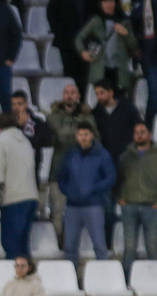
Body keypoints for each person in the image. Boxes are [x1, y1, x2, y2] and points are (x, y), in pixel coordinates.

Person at [58, 122, 116, 264]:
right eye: (80, 134)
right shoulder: (70, 154)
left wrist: (94, 189)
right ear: (76, 136)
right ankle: (71, 279)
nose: (83, 138)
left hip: (93, 205)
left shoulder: (102, 154)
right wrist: (68, 191)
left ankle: (103, 278)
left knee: (99, 246)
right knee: (70, 246)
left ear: (91, 135)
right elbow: (61, 176)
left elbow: (110, 177)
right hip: (72, 206)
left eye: (85, 134)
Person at [49, 83, 98, 240]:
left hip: (82, 174)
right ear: (63, 96)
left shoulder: (89, 117)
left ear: (78, 96)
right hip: (58, 171)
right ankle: (58, 244)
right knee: (57, 211)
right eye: (66, 92)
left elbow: (96, 140)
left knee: (80, 212)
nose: (69, 96)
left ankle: (74, 244)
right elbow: (62, 137)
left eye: (73, 92)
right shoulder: (53, 117)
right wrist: (81, 135)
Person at [0, 113, 40, 259]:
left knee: (11, 245)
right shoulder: (25, 140)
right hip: (31, 196)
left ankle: (15, 279)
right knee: (23, 245)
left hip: (13, 199)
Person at [117, 122, 157, 281]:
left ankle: (154, 280)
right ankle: (126, 281)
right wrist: (120, 197)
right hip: (130, 205)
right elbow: (118, 179)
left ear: (149, 134)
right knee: (130, 247)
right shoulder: (125, 156)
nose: (139, 135)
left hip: (151, 206)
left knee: (153, 246)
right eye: (136, 132)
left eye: (142, 132)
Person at [77, 0, 137, 98]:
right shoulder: (96, 21)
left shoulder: (124, 22)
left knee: (118, 100)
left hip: (118, 70)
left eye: (111, 2)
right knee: (101, 99)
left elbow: (133, 44)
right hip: (101, 70)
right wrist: (83, 52)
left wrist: (126, 33)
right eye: (105, 2)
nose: (108, 5)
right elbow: (79, 38)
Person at [92, 80, 143, 165]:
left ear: (111, 92)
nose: (99, 97)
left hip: (127, 156)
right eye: (97, 94)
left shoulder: (127, 108)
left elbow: (139, 126)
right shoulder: (96, 113)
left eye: (102, 93)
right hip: (106, 158)